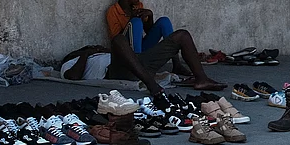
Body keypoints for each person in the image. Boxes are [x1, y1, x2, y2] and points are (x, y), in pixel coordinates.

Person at [60, 32, 226, 95]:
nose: (94, 47)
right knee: (118, 39)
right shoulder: (70, 63)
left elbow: (126, 54)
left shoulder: (101, 54)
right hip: (116, 73)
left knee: (182, 35)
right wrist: (85, 53)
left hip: (138, 64)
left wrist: (102, 50)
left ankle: (201, 79)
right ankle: (151, 85)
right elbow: (72, 77)